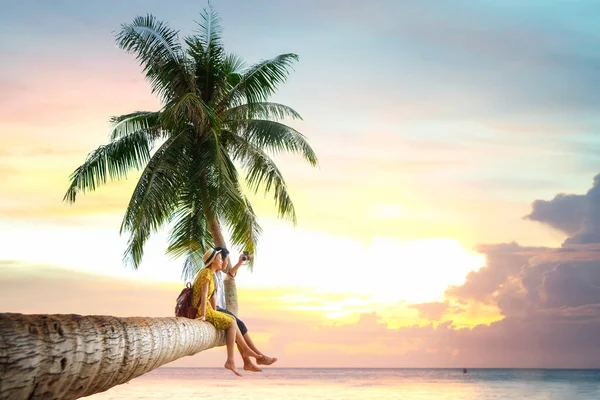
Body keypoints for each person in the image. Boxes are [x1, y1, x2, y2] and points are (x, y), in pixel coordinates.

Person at [192, 247, 262, 376]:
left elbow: (210, 295)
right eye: (219, 258)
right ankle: (233, 359)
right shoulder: (207, 273)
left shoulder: (211, 274)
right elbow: (203, 294)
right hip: (204, 311)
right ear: (213, 260)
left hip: (208, 309)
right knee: (232, 322)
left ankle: (240, 355)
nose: (221, 261)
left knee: (233, 321)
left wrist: (240, 263)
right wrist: (203, 315)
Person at [212, 246, 277, 372]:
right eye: (223, 259)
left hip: (219, 308)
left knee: (240, 326)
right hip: (215, 309)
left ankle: (249, 361)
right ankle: (258, 356)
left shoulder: (219, 275)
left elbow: (230, 275)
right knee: (238, 324)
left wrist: (240, 262)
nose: (224, 262)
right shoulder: (211, 274)